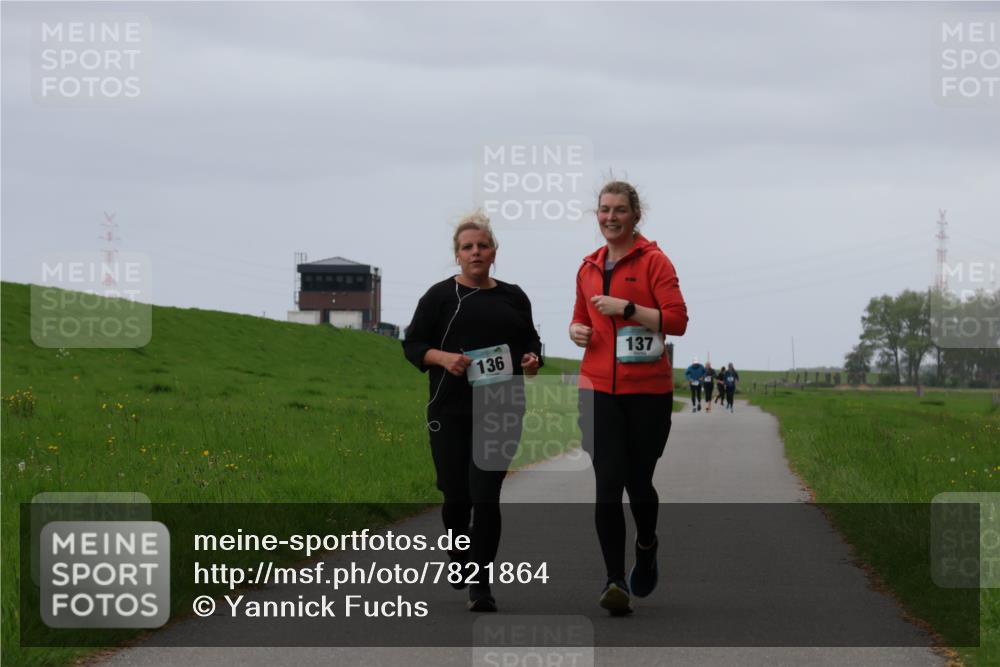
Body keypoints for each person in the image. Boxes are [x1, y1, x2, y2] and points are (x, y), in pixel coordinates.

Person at [403, 211, 542, 613]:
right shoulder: (440, 296)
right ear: (457, 255)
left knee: (485, 497)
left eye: (482, 246)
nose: (476, 252)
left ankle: (481, 584)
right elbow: (413, 345)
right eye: (468, 247)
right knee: (456, 498)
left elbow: (530, 342)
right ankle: (461, 557)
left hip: (501, 408)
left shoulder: (514, 296)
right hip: (449, 408)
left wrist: (532, 360)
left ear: (494, 252)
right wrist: (444, 359)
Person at [569, 181, 688, 615]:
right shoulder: (587, 267)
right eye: (604, 210)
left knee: (638, 483)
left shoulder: (655, 262)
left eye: (619, 210)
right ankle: (614, 580)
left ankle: (647, 543)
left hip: (647, 393)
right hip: (597, 388)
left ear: (636, 215)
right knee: (607, 485)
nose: (610, 217)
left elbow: (677, 321)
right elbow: (580, 319)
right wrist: (575, 331)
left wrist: (628, 309)